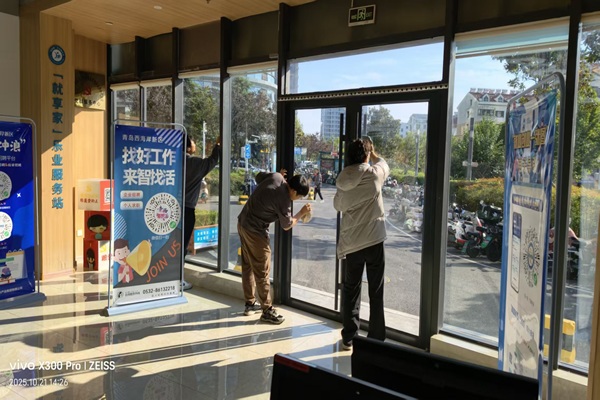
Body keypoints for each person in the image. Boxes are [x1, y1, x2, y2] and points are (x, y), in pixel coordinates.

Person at [334, 137, 390, 350]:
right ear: (366, 155)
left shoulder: (342, 180)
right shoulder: (374, 174)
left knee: (351, 289)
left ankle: (349, 337)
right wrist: (374, 153)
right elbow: (384, 164)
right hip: (374, 240)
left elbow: (338, 205)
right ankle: (376, 339)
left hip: (352, 244)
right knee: (376, 289)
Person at [238, 169, 311, 324]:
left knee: (248, 265)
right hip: (255, 231)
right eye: (299, 196)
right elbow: (287, 225)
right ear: (293, 190)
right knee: (262, 271)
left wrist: (275, 175)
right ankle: (267, 310)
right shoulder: (284, 199)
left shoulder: (276, 176)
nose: (297, 199)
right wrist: (301, 213)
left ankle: (250, 303)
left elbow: (258, 177)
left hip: (243, 222)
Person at [182, 135, 221, 290]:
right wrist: (218, 145)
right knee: (182, 246)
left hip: (169, 208)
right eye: (193, 142)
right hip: (186, 210)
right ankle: (178, 280)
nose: (195, 145)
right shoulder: (194, 163)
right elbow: (212, 161)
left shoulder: (170, 160)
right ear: (188, 146)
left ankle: (167, 278)